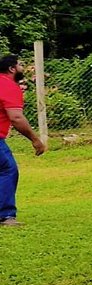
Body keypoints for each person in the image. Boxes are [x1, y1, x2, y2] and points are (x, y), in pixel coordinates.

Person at [1, 55, 47, 227]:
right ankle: (6, 216)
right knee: (7, 170)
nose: (23, 67)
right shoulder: (8, 85)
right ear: (12, 69)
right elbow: (16, 118)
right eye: (20, 65)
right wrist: (35, 140)